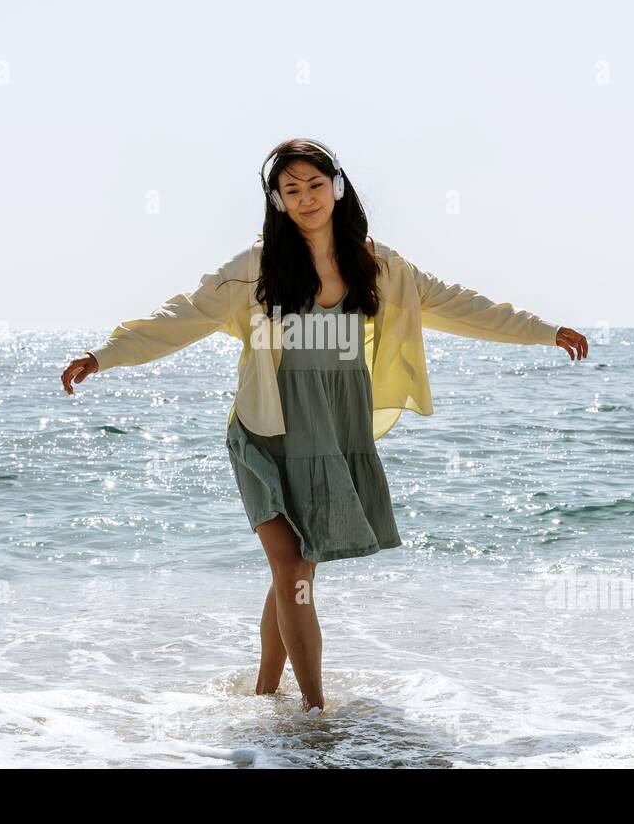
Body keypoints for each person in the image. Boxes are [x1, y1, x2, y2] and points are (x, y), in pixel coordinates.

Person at [61, 138, 588, 713]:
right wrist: (104, 355)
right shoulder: (255, 267)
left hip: (332, 433)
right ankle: (315, 714)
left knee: (294, 574)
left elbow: (459, 303)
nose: (306, 198)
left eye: (315, 185)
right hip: (266, 432)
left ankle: (266, 694)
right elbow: (182, 314)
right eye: (292, 190)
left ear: (336, 187)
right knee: (292, 570)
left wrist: (543, 330)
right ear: (278, 201)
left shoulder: (379, 266)